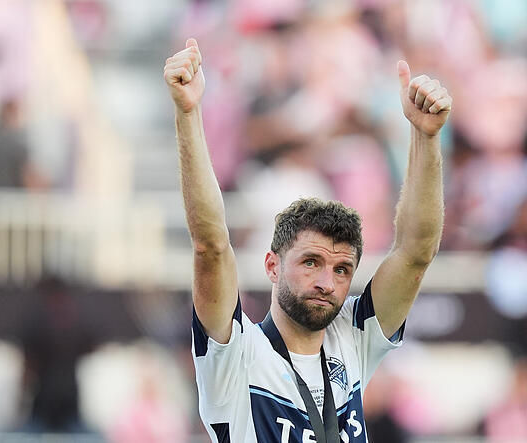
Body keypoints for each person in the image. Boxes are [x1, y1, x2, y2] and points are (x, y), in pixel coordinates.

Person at [164, 38, 451, 443]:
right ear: (272, 265)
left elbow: (415, 252)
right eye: (311, 262)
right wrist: (188, 112)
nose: (327, 282)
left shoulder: (353, 336)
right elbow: (210, 245)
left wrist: (425, 136)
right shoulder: (235, 354)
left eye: (342, 269)